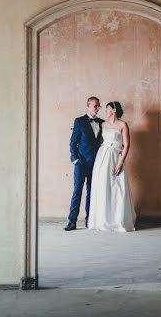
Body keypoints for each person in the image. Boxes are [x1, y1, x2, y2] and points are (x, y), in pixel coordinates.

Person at [87, 101, 136, 232]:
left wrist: (120, 162)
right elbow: (99, 141)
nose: (106, 111)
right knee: (102, 186)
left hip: (116, 157)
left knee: (117, 187)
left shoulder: (122, 124)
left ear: (113, 110)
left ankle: (117, 219)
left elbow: (127, 145)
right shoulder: (102, 124)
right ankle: (103, 219)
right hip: (102, 157)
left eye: (108, 109)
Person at [64, 96, 104, 231]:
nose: (98, 108)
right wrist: (75, 159)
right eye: (95, 106)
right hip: (81, 162)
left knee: (92, 192)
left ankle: (89, 221)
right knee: (77, 191)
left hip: (96, 163)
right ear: (88, 106)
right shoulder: (79, 121)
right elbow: (73, 142)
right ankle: (72, 221)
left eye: (99, 106)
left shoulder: (102, 122)